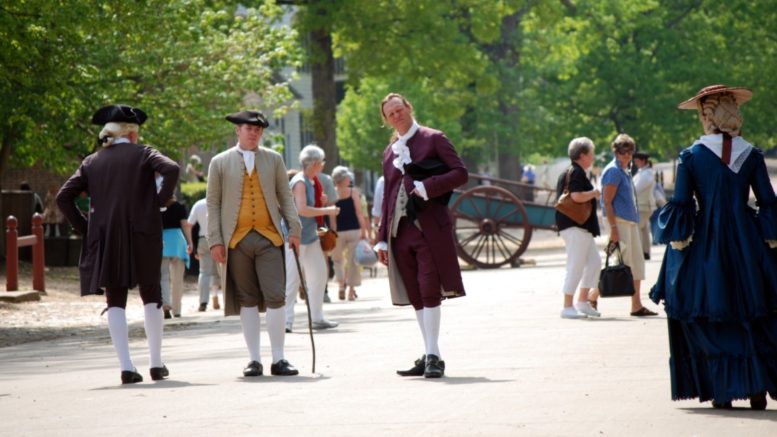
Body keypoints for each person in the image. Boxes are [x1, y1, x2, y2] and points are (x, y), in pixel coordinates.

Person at [650, 84, 777, 409]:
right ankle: (756, 388)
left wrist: (679, 239)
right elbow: (768, 202)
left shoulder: (691, 156)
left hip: (706, 241)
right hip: (746, 241)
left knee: (704, 309)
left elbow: (681, 204)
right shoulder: (750, 154)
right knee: (753, 309)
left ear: (705, 115)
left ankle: (723, 389)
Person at [56, 104, 179, 384]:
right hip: (143, 231)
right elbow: (171, 169)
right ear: (132, 133)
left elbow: (64, 197)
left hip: (108, 235)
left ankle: (126, 366)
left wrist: (86, 227)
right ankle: (156, 364)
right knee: (152, 294)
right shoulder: (144, 153)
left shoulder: (92, 161)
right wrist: (157, 203)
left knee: (116, 299)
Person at [375, 93, 468, 378]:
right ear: (386, 119)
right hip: (398, 232)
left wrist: (429, 186)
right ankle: (432, 353)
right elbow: (389, 196)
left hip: (428, 229)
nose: (396, 116)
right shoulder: (390, 152)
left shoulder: (434, 138)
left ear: (409, 108)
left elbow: (460, 173)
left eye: (399, 110)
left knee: (429, 289)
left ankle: (431, 355)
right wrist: (380, 238)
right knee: (415, 294)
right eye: (390, 114)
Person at [207, 110, 302, 377]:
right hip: (235, 240)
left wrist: (294, 228)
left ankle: (279, 358)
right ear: (237, 130)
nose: (254, 133)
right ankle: (254, 359)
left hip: (269, 237)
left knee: (276, 296)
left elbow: (285, 196)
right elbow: (213, 203)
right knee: (246, 299)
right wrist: (215, 239)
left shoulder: (274, 159)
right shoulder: (219, 162)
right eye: (248, 128)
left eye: (258, 130)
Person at [589, 134, 657, 317]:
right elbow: (607, 202)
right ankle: (592, 295)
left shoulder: (625, 170)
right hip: (618, 222)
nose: (626, 155)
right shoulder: (613, 171)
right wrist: (613, 229)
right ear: (616, 152)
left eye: (629, 152)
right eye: (622, 152)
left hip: (629, 221)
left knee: (635, 263)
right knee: (619, 265)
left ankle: (636, 305)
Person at [283, 145, 340, 332]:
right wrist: (327, 210)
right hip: (295, 236)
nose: (322, 166)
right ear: (315, 163)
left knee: (319, 275)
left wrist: (320, 203)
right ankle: (286, 321)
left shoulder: (312, 181)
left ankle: (316, 317)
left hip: (310, 236)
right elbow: (302, 209)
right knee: (292, 278)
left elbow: (308, 205)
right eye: (321, 162)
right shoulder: (300, 182)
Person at [555, 137, 602, 319]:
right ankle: (567, 306)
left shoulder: (573, 172)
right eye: (591, 154)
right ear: (582, 155)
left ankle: (582, 302)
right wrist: (594, 193)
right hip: (574, 225)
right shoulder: (576, 172)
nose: (593, 157)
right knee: (576, 264)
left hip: (579, 226)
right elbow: (575, 196)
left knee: (594, 263)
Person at [331, 166, 369, 301]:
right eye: (348, 177)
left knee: (337, 260)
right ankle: (351, 291)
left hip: (338, 232)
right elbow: (359, 213)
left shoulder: (332, 193)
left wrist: (333, 231)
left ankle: (341, 286)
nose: (349, 179)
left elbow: (332, 216)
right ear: (343, 179)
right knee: (353, 261)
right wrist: (364, 231)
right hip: (354, 230)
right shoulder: (353, 192)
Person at [159, 198, 192, 319]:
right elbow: (185, 225)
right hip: (178, 242)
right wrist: (190, 242)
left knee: (164, 277)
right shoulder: (180, 206)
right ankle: (177, 310)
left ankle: (166, 305)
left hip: (162, 241)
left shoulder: (157, 204)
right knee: (177, 279)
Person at [187, 197, 221, 312]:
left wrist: (191, 243)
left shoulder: (198, 203)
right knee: (220, 271)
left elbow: (190, 224)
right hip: (219, 238)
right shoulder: (219, 201)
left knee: (204, 272)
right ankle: (216, 296)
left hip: (203, 239)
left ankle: (203, 302)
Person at [632, 152, 656, 260]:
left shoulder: (646, 174)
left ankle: (641, 252)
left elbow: (635, 189)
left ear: (642, 161)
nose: (635, 163)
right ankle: (645, 251)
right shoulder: (644, 173)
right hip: (644, 205)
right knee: (644, 229)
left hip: (643, 205)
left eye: (637, 161)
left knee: (638, 228)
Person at [371, 176, 385, 241]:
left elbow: (377, 211)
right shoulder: (382, 181)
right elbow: (377, 211)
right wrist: (376, 232)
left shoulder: (382, 181)